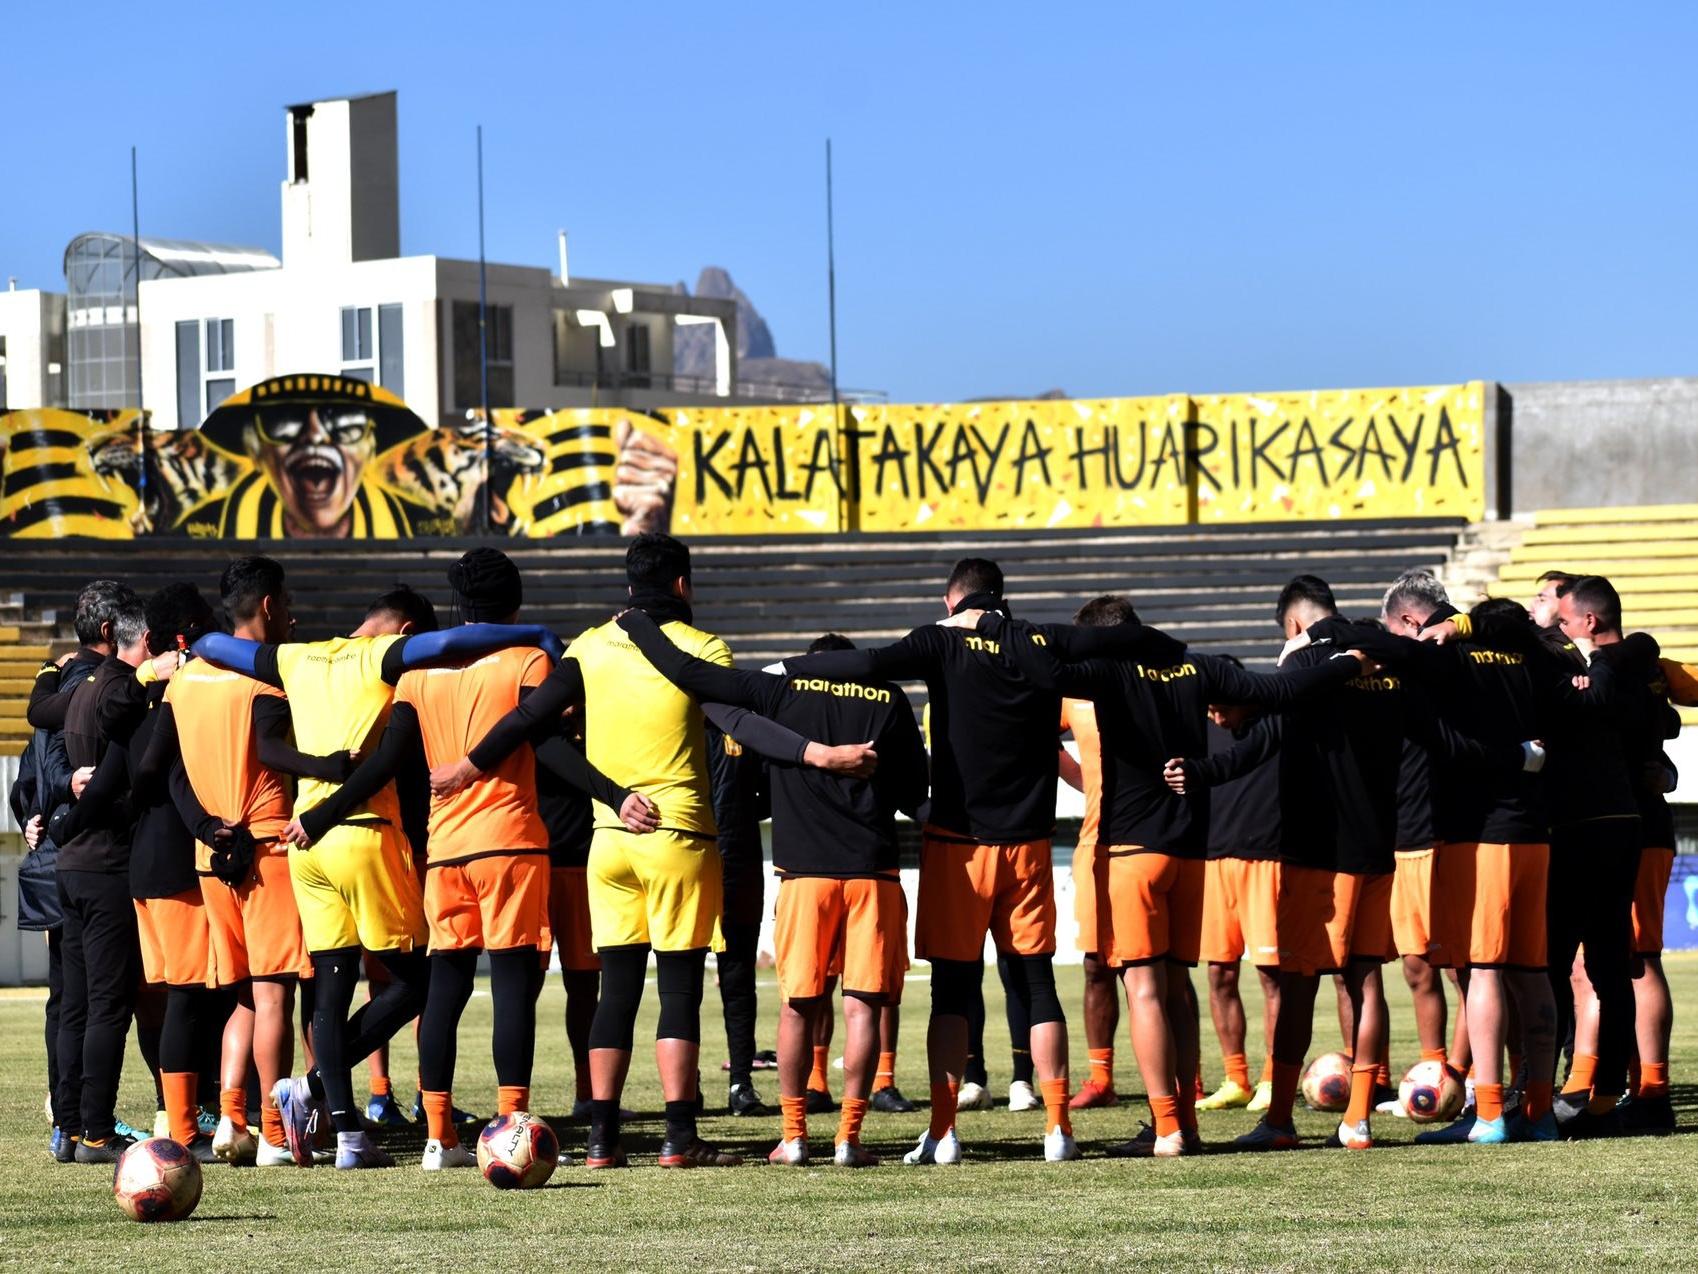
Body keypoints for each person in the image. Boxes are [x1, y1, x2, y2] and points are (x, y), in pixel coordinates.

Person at [428, 533, 875, 1169]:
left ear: (629, 587)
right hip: (681, 839)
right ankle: (677, 1136)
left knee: (616, 995)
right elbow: (740, 722)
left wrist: (470, 768)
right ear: (684, 587)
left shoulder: (588, 647)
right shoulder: (701, 648)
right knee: (679, 992)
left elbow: (535, 731)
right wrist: (819, 755)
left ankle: (603, 1140)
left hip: (608, 845)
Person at [983, 591, 1370, 1157]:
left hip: (1130, 849)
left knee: (1142, 989)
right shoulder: (1198, 667)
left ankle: (1166, 1128)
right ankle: (1183, 1122)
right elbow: (1282, 689)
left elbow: (1037, 667)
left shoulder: (1105, 674)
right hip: (1190, 852)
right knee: (1177, 991)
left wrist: (1003, 625)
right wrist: (1348, 663)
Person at [193, 584, 559, 1168]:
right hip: (362, 833)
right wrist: (534, 634)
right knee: (421, 982)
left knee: (331, 991)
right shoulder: (384, 656)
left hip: (305, 848)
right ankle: (320, 1090)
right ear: (406, 633)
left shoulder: (300, 656)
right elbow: (460, 640)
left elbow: (216, 644)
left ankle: (346, 1136)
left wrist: (182, 653)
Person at [286, 549, 628, 1169]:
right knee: (514, 988)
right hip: (511, 841)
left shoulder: (418, 675)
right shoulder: (527, 659)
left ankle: (439, 1138)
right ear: (515, 603)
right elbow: (544, 746)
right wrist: (612, 792)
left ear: (457, 606)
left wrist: (320, 814)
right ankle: (511, 1123)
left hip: (444, 852)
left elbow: (390, 761)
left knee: (445, 988)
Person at [617, 617, 929, 1166]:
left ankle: (794, 1137)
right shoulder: (889, 697)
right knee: (862, 1010)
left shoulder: (782, 689)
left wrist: (637, 624)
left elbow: (702, 689)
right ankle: (850, 1140)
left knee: (797, 1007)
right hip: (873, 871)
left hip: (804, 874)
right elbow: (911, 792)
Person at [143, 559, 346, 1166]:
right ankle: (276, 1136)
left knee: (242, 999)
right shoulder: (266, 682)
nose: (291, 612)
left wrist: (205, 824)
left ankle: (223, 1122)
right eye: (285, 601)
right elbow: (271, 749)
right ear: (265, 605)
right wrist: (334, 765)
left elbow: (160, 768)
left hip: (211, 856)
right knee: (275, 994)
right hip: (266, 852)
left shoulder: (184, 681)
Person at [44, 586, 153, 1164]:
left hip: (73, 866)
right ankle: (95, 1132)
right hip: (107, 861)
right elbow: (123, 776)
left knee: (78, 1004)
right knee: (109, 1004)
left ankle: (68, 1126)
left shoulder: (82, 686)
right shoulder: (122, 692)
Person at [14, 617, 107, 1160]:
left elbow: (26, 785)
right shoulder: (97, 692)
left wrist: (32, 812)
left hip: (51, 862)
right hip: (81, 860)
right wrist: (43, 807)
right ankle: (83, 1117)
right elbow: (39, 783)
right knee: (93, 996)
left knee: (66, 997)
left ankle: (66, 1114)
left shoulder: (54, 692)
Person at [1187, 667, 1282, 1114]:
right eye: (1210, 709)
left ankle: (1272, 1077)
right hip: (1212, 863)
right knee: (1219, 973)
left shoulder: (1275, 725)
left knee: (1271, 975)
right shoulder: (1199, 730)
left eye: (1222, 708)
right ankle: (1236, 1078)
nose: (1217, 717)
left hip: (1267, 861)